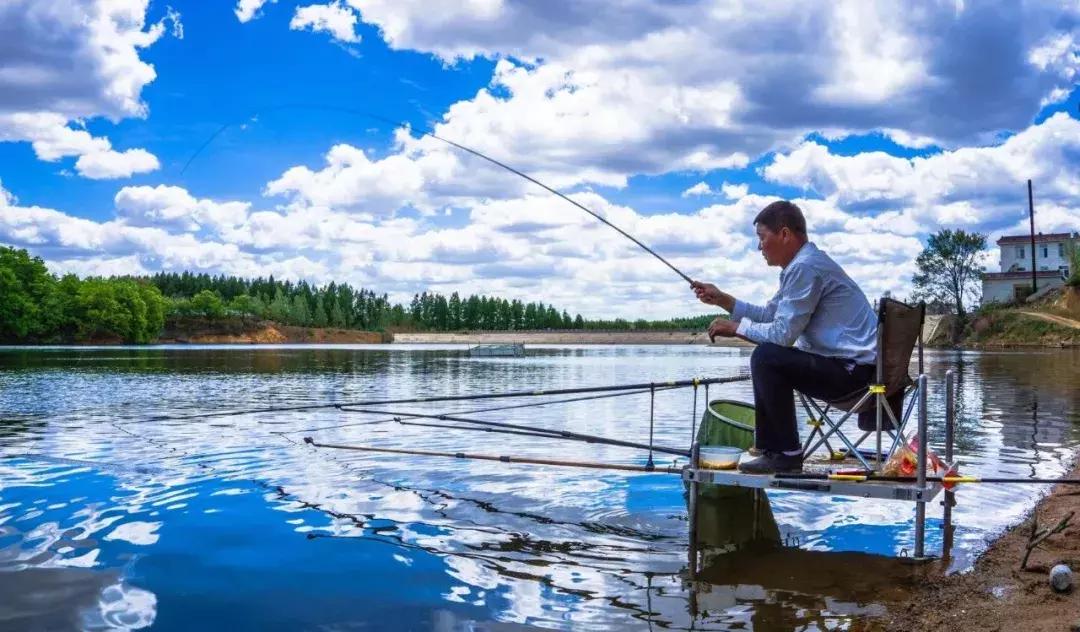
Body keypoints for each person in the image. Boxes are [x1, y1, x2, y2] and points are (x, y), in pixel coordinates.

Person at [691, 200, 878, 474]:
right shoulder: (802, 266)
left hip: (855, 376)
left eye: (762, 237)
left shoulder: (806, 268)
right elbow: (770, 314)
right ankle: (771, 448)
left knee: (768, 356)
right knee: (768, 355)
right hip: (857, 371)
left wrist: (735, 329)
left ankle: (785, 453)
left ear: (785, 234)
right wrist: (723, 300)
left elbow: (781, 336)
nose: (759, 247)